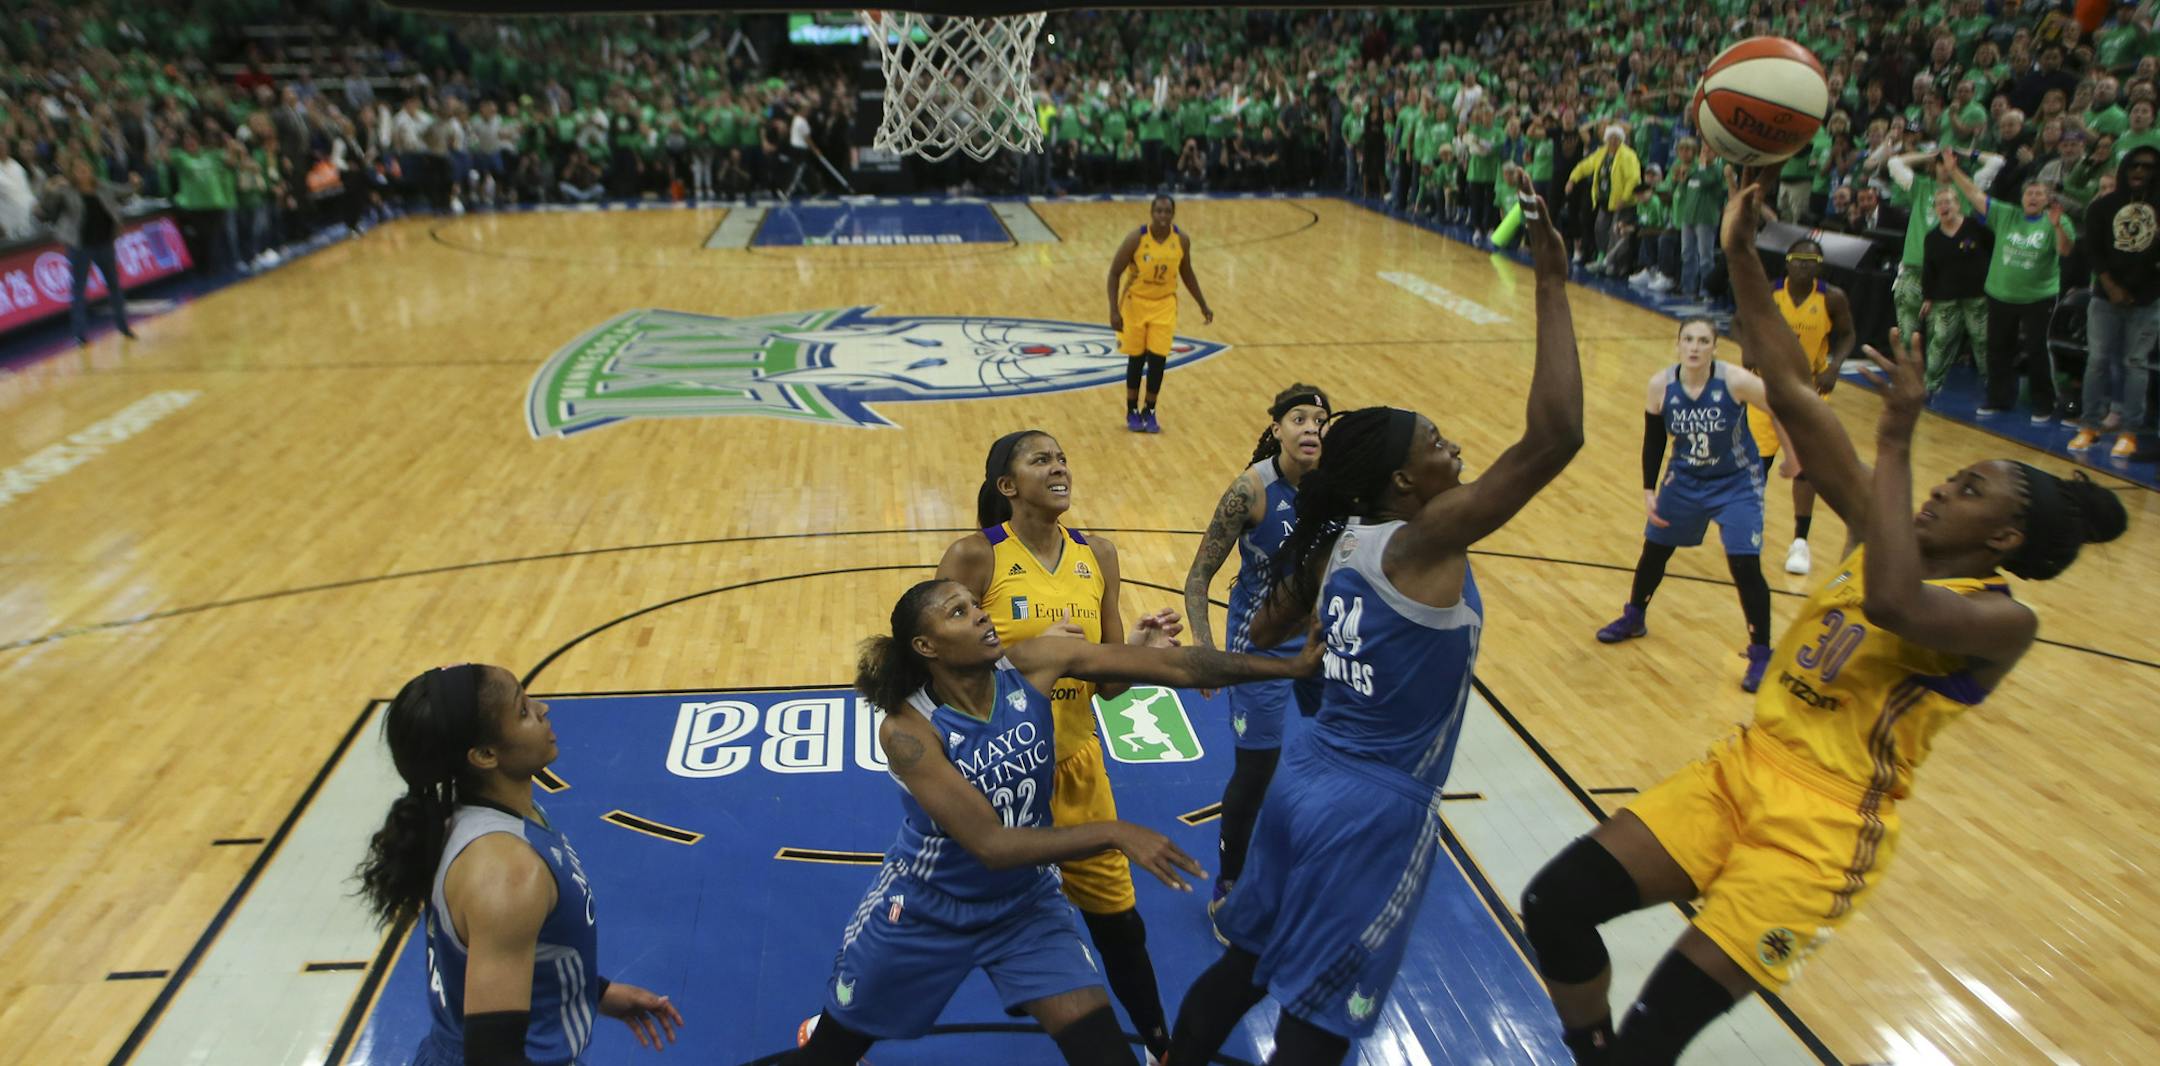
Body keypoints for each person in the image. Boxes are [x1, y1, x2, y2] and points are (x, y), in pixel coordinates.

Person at [1518, 170, 2125, 1066]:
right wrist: (1738, 255)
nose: (1946, 488)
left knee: (1661, 1030)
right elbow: (1794, 391)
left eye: (1969, 490)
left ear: (2003, 536)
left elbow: (1892, 605)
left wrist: (1894, 440)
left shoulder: (2004, 619)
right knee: (1555, 904)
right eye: (1953, 475)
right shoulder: (1883, 537)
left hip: (1826, 831)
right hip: (1744, 766)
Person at [1168, 173, 1583, 1066]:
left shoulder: (1337, 542)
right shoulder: (1424, 539)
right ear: (1404, 482)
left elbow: (1270, 629)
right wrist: (1550, 281)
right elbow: (1555, 440)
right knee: (1316, 1028)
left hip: (1307, 777)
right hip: (1375, 810)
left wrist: (1318, 654)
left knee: (1243, 966)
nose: (1456, 451)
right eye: (1437, 446)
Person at [785, 580, 1322, 1066]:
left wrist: (1285, 666)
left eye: (976, 605)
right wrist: (1114, 831)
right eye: (958, 612)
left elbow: (1176, 669)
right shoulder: (908, 730)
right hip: (928, 910)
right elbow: (990, 845)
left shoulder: (1034, 663)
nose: (980, 615)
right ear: (927, 647)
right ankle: (827, 1036)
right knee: (830, 1055)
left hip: (1025, 907)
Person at [938, 430, 1184, 1061]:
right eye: (1041, 460)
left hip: (1075, 768)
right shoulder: (975, 557)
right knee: (938, 926)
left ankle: (1161, 1045)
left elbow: (1108, 685)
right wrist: (1034, 656)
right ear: (1007, 486)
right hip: (995, 772)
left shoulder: (1097, 554)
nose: (1059, 468)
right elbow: (936, 672)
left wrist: (1138, 651)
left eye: (1062, 458)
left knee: (1120, 925)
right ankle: (844, 1026)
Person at [355, 664, 685, 1065]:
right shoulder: (507, 873)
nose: (543, 709)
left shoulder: (474, 817)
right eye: (523, 712)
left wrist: (594, 992)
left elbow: (500, 955)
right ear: (484, 755)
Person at [1179, 384, 1331, 936]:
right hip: (1257, 646)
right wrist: (1203, 648)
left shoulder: (1338, 487)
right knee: (1256, 770)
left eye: (1320, 420)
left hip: (1324, 642)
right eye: (1300, 418)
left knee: (1337, 756)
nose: (1312, 428)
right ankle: (1230, 882)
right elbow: (1199, 576)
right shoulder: (1251, 490)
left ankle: (1318, 864)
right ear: (1277, 428)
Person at [1595, 319, 1780, 692]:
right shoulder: (1660, 385)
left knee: (1745, 563)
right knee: (1655, 549)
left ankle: (1761, 652)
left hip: (1737, 483)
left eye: (1703, 341)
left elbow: (1782, 408)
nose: (1695, 347)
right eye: (1689, 340)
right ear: (1678, 345)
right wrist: (1649, 489)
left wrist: (1791, 454)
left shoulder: (1736, 381)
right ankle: (1634, 616)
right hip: (1685, 480)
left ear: (1714, 347)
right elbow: (1653, 440)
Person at [1745, 238, 1855, 576]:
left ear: (1820, 266)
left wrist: (1834, 366)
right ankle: (1749, 528)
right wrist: (1748, 350)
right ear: (1787, 262)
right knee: (1755, 466)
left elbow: (1848, 335)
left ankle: (1800, 541)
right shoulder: (1770, 291)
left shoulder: (1832, 298)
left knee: (1807, 469)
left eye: (1812, 260)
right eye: (1799, 259)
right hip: (1766, 389)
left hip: (1809, 391)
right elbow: (1746, 319)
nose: (1805, 265)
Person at [1942, 162, 2077, 422]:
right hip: (2001, 294)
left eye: (2039, 194)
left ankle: (2044, 404)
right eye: (2029, 193)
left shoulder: (2058, 220)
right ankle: (1998, 399)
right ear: (2022, 198)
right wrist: (1954, 169)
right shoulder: (2007, 215)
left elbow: (2065, 251)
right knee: (1998, 349)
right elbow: (1973, 194)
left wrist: (2058, 225)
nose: (2033, 198)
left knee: (2037, 350)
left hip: (2038, 297)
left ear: (2048, 199)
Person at [2070, 143, 2160, 458]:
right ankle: (2089, 426)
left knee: (2135, 364)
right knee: (2097, 361)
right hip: (2105, 298)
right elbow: (2092, 251)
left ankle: (2129, 433)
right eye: (2135, 165)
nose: (2140, 172)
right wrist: (2112, 287)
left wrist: (2133, 288)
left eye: (2148, 167)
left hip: (2147, 300)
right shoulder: (2102, 207)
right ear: (2125, 169)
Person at [1107, 194, 1215, 433]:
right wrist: (1114, 310)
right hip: (1135, 303)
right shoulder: (1136, 238)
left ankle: (1151, 410)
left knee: (1158, 360)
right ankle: (1132, 409)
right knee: (1136, 358)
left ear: (1173, 214)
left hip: (1164, 305)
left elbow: (1187, 273)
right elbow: (1114, 273)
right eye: (1159, 211)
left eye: (1167, 212)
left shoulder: (1181, 240)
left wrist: (1202, 304)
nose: (1163, 216)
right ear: (1152, 213)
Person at [34, 157, 140, 346]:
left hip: (105, 244)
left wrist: (134, 183)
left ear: (91, 170)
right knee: (79, 290)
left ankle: (123, 326)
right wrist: (49, 187)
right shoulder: (66, 192)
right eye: (78, 168)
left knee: (114, 286)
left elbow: (124, 191)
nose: (83, 171)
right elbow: (46, 206)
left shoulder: (103, 187)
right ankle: (80, 334)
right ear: (72, 173)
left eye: (85, 167)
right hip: (80, 247)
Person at [1920, 176, 1997, 395]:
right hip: (1946, 298)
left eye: (1948, 201)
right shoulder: (1932, 237)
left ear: (1958, 204)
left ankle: (1991, 384)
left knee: (1982, 341)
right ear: (1935, 209)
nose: (1944, 206)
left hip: (1978, 296)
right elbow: (1929, 269)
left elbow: (1993, 251)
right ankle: (1930, 384)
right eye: (1940, 203)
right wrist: (1928, 297)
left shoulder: (1975, 227)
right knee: (1940, 341)